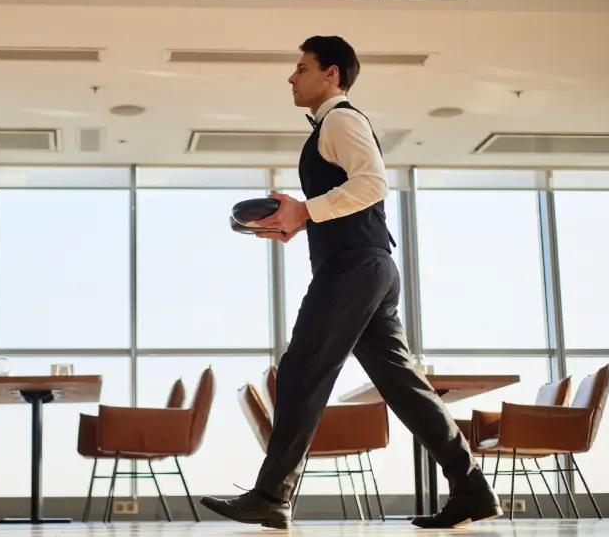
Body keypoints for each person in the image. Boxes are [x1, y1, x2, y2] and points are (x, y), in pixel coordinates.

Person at [199, 36, 501, 530]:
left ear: (331, 74)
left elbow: (373, 183)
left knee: (302, 370)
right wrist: (298, 220)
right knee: (403, 387)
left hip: (355, 268)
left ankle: (273, 495)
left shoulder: (341, 119)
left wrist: (308, 211)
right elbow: (350, 194)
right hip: (368, 266)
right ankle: (472, 490)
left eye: (301, 67)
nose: (292, 77)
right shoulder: (328, 127)